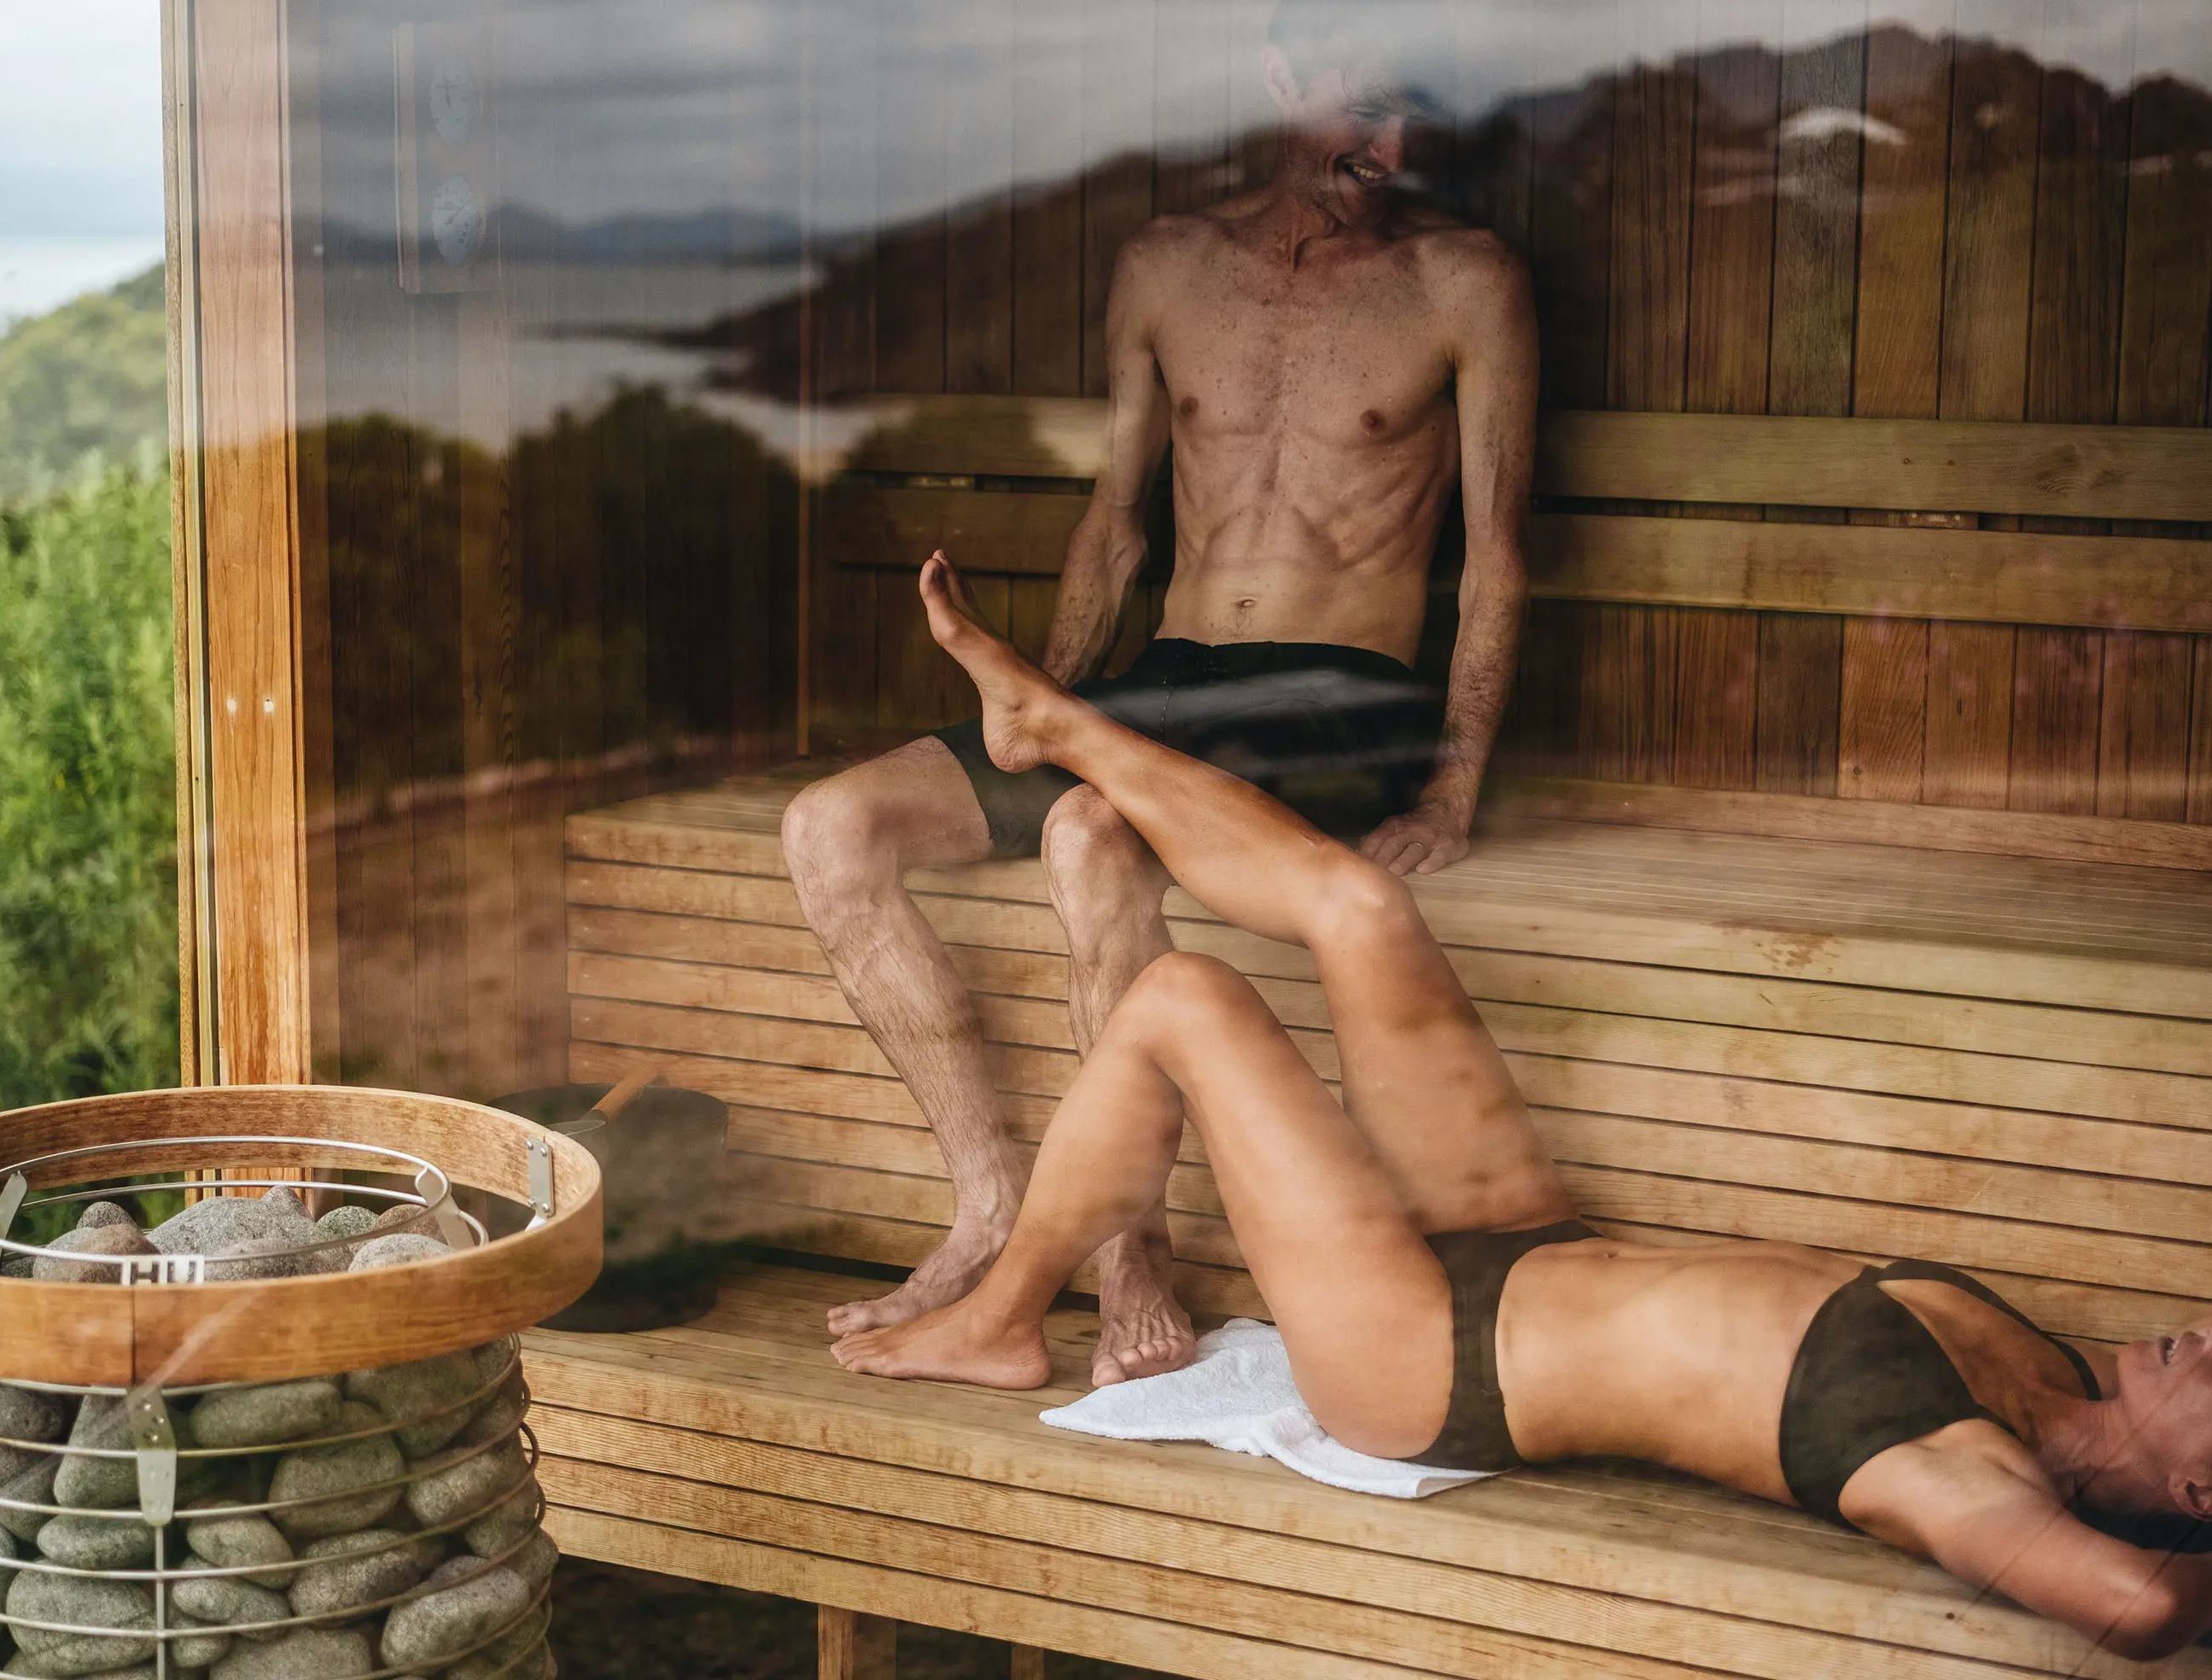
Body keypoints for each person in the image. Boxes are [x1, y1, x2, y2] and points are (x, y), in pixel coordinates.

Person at [833, 554, 2212, 1661]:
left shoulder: (1963, 1476)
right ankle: (1059, 724)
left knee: (1183, 1000)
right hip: (1526, 1240)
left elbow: (2142, 1610)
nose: (2203, 1340)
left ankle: (1003, 1322)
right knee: (1363, 907)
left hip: (1436, 1362)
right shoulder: (2048, 1371)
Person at [781, 0, 1534, 1384]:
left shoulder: (1466, 282)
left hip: (1339, 695)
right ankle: (992, 1202)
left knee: (1092, 829)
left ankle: (1130, 1250)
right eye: (1367, 102)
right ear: (1275, 80)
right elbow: (1119, 520)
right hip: (1168, 677)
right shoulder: (1167, 266)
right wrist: (1050, 702)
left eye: (1421, 113)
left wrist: (1455, 784)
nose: (1396, 144)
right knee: (832, 828)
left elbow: (1494, 555)